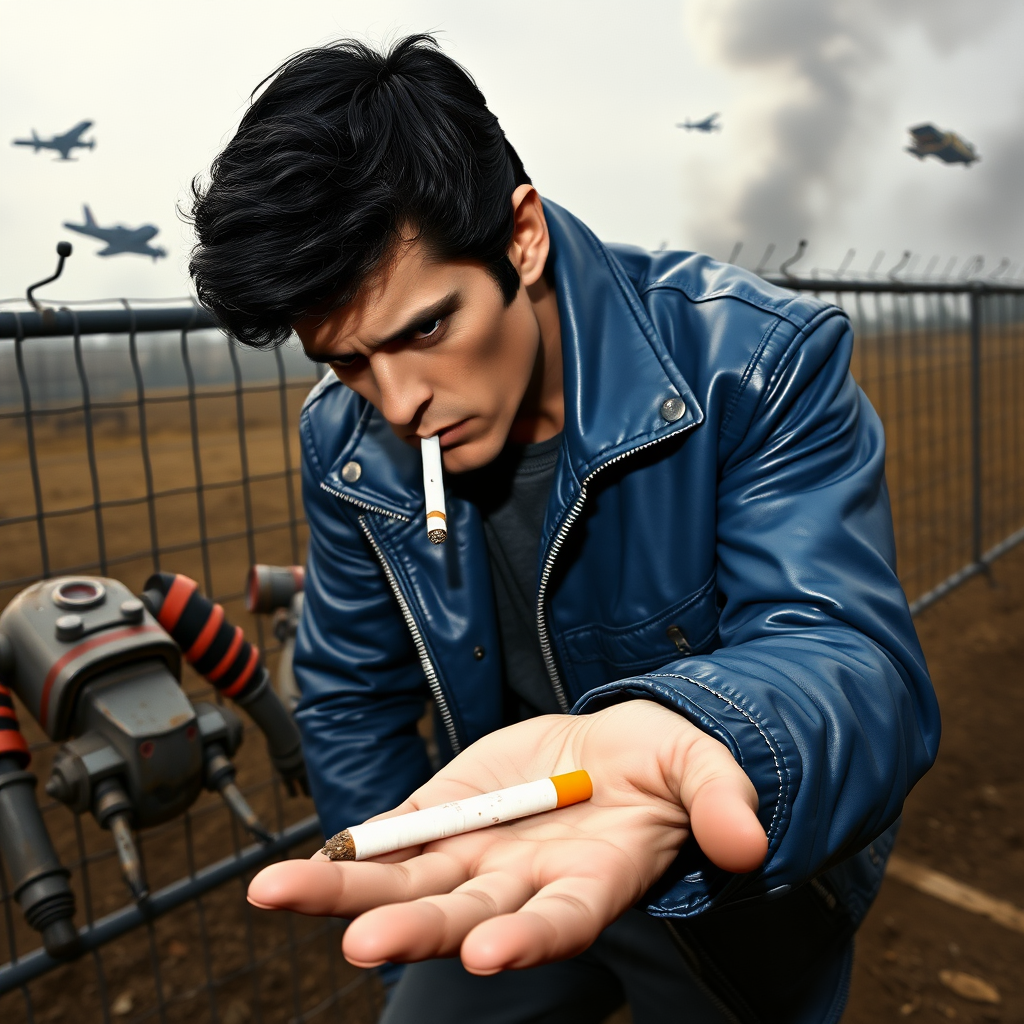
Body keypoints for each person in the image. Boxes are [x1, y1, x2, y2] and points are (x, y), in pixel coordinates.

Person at [188, 35, 940, 1024]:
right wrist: (415, 892)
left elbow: (845, 654)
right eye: (348, 360)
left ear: (523, 238)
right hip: (496, 858)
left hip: (718, 870)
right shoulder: (348, 438)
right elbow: (349, 694)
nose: (399, 399)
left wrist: (690, 735)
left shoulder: (753, 363)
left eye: (425, 328)